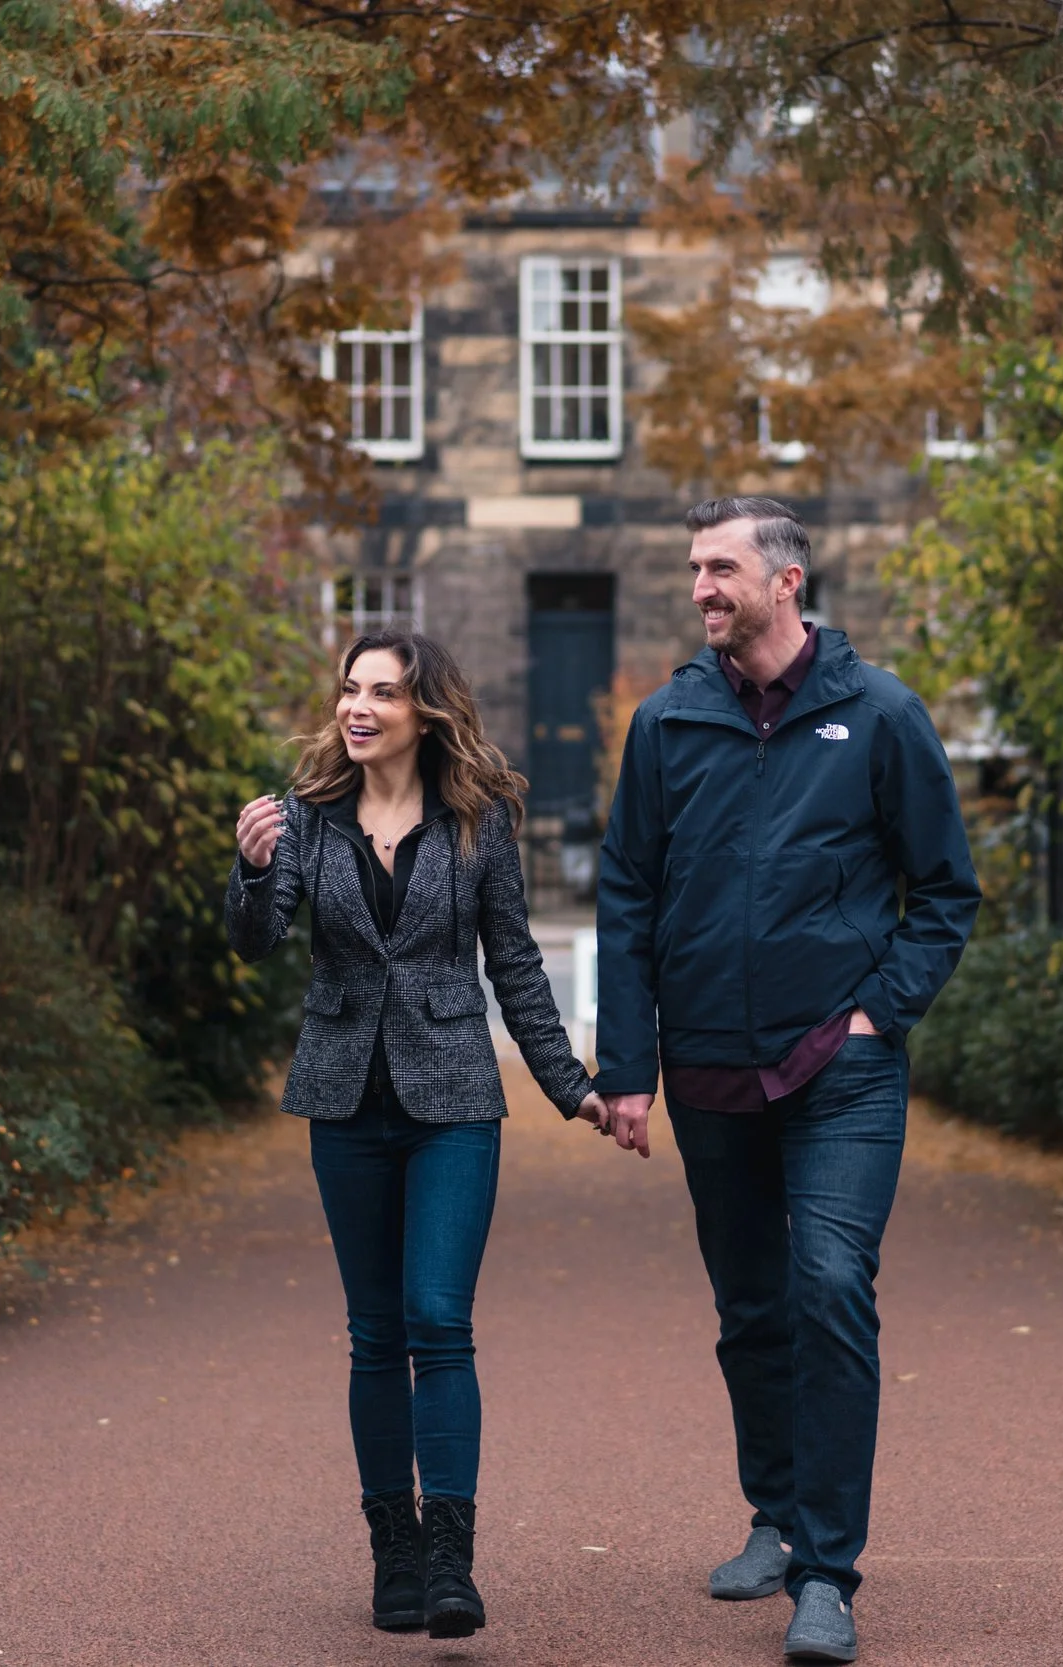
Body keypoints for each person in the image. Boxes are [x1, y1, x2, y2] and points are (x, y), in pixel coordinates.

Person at [588, 497, 982, 1664]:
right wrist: (626, 1068)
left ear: (786, 580)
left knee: (827, 1286)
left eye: (720, 568)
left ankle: (826, 1571)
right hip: (709, 1064)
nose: (701, 587)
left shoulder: (877, 714)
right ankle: (771, 1513)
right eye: (694, 569)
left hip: (839, 1065)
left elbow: (945, 890)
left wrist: (879, 1010)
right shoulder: (666, 724)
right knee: (752, 1308)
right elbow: (627, 897)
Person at [227, 630, 607, 1640]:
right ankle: (392, 1550)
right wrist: (250, 866)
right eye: (349, 689)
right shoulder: (306, 821)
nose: (357, 706)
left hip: (452, 1100)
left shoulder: (477, 824)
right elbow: (260, 939)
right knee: (374, 1330)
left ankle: (449, 1557)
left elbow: (515, 964)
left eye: (381, 692)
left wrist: (571, 1086)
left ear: (423, 710)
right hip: (344, 1098)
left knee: (438, 1317)